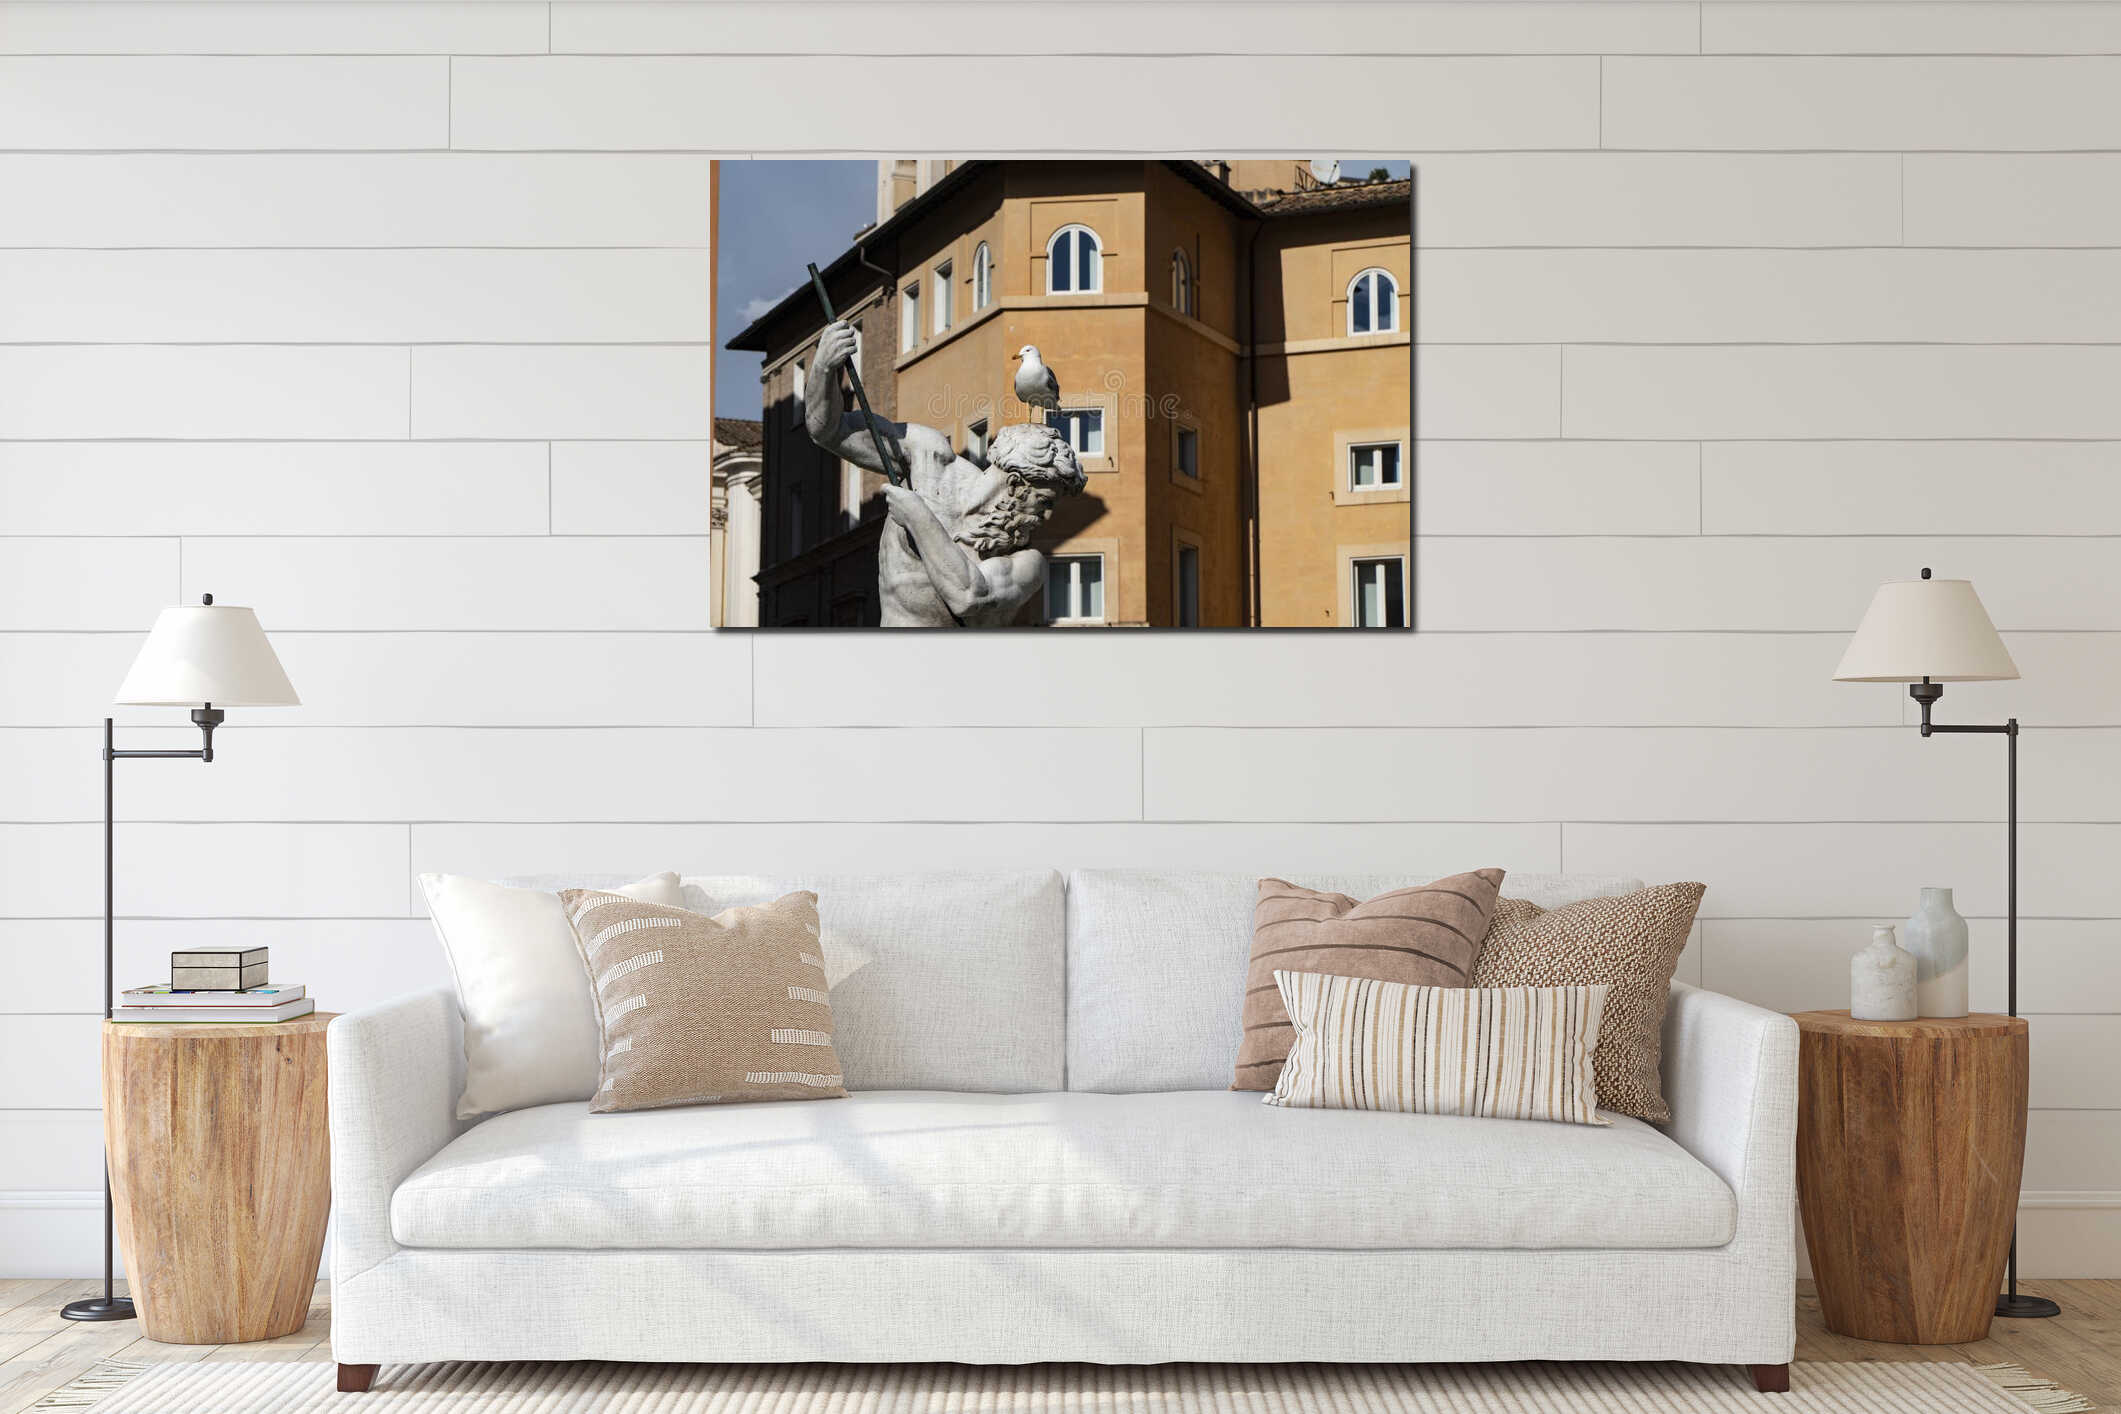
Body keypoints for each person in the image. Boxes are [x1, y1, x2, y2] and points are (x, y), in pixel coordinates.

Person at [805, 320, 1087, 627]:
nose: (1046, 518)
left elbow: (968, 596)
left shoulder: (1026, 564)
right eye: (1044, 503)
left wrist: (918, 516)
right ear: (1017, 484)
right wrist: (823, 369)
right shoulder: (928, 459)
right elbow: (830, 431)